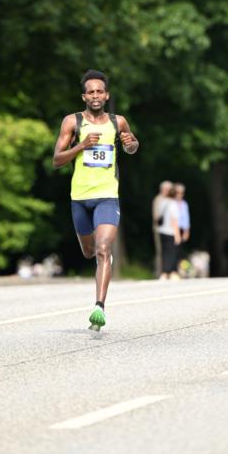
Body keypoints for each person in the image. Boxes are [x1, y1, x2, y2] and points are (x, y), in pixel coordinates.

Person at [53, 70, 139, 330]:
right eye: (90, 92)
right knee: (89, 251)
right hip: (80, 197)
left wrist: (130, 143)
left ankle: (99, 308)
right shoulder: (73, 122)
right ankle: (102, 261)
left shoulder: (118, 122)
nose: (95, 95)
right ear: (84, 96)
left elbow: (132, 146)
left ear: (107, 94)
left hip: (107, 196)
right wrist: (81, 146)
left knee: (103, 249)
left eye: (99, 91)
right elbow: (57, 160)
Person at [157, 186, 181, 280]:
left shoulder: (163, 202)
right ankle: (169, 272)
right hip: (171, 231)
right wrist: (177, 234)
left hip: (162, 231)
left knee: (164, 252)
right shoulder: (174, 204)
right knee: (172, 252)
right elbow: (174, 220)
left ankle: (163, 272)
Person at [152, 181, 173, 277]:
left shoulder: (170, 199)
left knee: (168, 251)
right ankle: (160, 272)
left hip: (169, 229)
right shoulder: (158, 199)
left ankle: (167, 271)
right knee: (160, 250)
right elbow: (156, 216)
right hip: (159, 229)